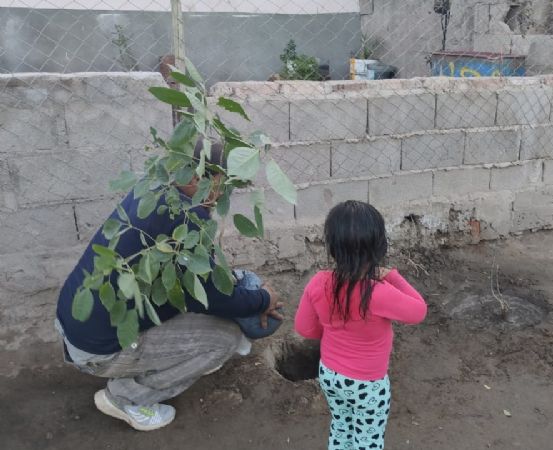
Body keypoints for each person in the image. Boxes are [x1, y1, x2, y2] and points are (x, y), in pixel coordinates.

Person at [55, 142, 284, 431]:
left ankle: (173, 357)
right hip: (97, 349)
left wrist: (240, 289)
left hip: (75, 322)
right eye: (221, 185)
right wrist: (262, 300)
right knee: (226, 339)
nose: (223, 195)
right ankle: (126, 398)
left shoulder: (155, 190)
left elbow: (199, 280)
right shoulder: (186, 219)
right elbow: (210, 298)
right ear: (193, 179)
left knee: (232, 282)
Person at [294, 201, 427, 450]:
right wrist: (392, 276)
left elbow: (305, 329)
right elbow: (418, 311)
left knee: (341, 426)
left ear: (332, 247)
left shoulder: (318, 282)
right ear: (379, 247)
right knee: (367, 440)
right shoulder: (379, 292)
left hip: (330, 375)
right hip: (368, 385)